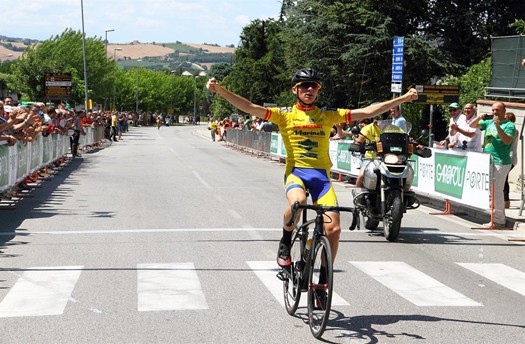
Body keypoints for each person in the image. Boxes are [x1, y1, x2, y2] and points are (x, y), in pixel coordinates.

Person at [206, 67, 418, 272]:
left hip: (321, 179)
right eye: (304, 86)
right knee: (299, 203)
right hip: (296, 174)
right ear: (295, 90)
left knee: (334, 229)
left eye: (314, 86)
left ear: (318, 89)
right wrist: (221, 90)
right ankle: (285, 241)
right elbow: (250, 107)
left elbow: (369, 111)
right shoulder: (284, 115)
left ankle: (323, 281)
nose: (309, 90)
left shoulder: (328, 115)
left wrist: (403, 99)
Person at [469, 101, 515, 227]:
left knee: (497, 190)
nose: (495, 112)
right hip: (488, 161)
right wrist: (479, 117)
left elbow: (506, 141)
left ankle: (499, 220)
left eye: (498, 110)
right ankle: (493, 218)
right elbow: (472, 125)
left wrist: (498, 126)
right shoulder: (488, 123)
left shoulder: (509, 125)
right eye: (493, 110)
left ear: (504, 112)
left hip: (500, 162)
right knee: (491, 191)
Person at [503, 112, 519, 209]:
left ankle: (506, 200)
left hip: (510, 157)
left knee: (504, 178)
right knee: (503, 178)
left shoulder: (513, 130)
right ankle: (504, 200)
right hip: (507, 157)